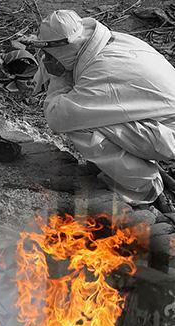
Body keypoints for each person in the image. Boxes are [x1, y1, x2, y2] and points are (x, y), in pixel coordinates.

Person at [33, 10, 175, 211]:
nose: (46, 60)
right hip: (162, 123)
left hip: (169, 134)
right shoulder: (108, 41)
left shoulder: (101, 73)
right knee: (91, 115)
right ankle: (131, 168)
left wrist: (58, 78)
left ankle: (143, 187)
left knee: (81, 126)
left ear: (63, 50)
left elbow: (58, 117)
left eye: (50, 56)